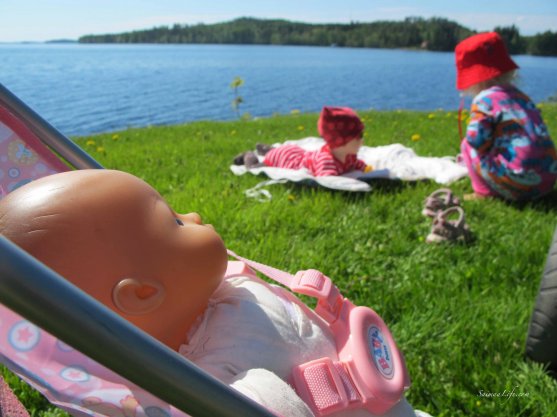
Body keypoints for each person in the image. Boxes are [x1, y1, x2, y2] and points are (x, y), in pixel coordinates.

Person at [0, 169, 430, 417]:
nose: (194, 213)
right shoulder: (219, 388)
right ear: (145, 292)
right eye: (174, 221)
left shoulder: (224, 287)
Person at [455, 31, 557, 201]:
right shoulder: (521, 97)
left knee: (467, 145)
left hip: (518, 183)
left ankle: (482, 193)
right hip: (546, 181)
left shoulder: (484, 100)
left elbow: (476, 140)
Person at [234, 106, 373, 176]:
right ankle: (249, 155)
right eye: (358, 136)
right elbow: (329, 179)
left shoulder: (349, 156)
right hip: (283, 159)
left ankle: (264, 148)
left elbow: (357, 164)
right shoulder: (326, 162)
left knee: (280, 151)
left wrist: (366, 169)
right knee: (256, 167)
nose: (362, 139)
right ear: (341, 141)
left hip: (295, 152)